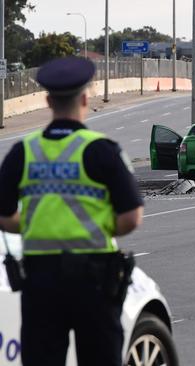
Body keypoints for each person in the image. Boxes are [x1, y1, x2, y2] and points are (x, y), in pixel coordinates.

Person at [0, 57, 144, 366]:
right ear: (85, 98)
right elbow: (131, 217)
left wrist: (36, 224)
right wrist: (101, 226)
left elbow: (3, 216)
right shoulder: (103, 150)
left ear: (48, 100)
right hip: (95, 279)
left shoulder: (23, 151)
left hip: (40, 281)